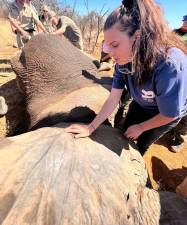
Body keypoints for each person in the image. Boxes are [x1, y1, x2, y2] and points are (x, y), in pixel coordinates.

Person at [65, 0, 187, 155]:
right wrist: (91, 126)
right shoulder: (123, 61)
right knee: (126, 132)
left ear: (137, 36)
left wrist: (142, 127)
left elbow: (170, 114)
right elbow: (113, 98)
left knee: (143, 141)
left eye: (115, 45)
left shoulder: (170, 65)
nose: (111, 54)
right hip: (142, 104)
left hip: (164, 115)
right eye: (107, 46)